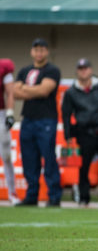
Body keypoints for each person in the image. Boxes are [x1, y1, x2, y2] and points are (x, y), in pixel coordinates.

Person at [14, 38, 62, 207]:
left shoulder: (52, 70)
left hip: (46, 119)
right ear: (31, 52)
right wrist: (32, 90)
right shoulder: (24, 70)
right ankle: (31, 194)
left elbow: (44, 91)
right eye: (36, 50)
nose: (39, 53)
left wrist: (24, 88)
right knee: (29, 158)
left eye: (42, 49)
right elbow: (14, 92)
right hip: (28, 118)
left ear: (47, 52)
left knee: (48, 156)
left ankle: (54, 195)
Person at [61, 58, 98, 206]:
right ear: (77, 71)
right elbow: (66, 114)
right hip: (84, 132)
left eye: (86, 68)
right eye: (80, 69)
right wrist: (68, 135)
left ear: (91, 70)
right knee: (84, 166)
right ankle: (84, 196)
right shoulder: (71, 92)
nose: (83, 71)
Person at [0, 57, 18, 205]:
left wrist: (10, 113)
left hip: (0, 114)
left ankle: (12, 192)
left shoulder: (3, 66)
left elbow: (10, 92)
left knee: (6, 155)